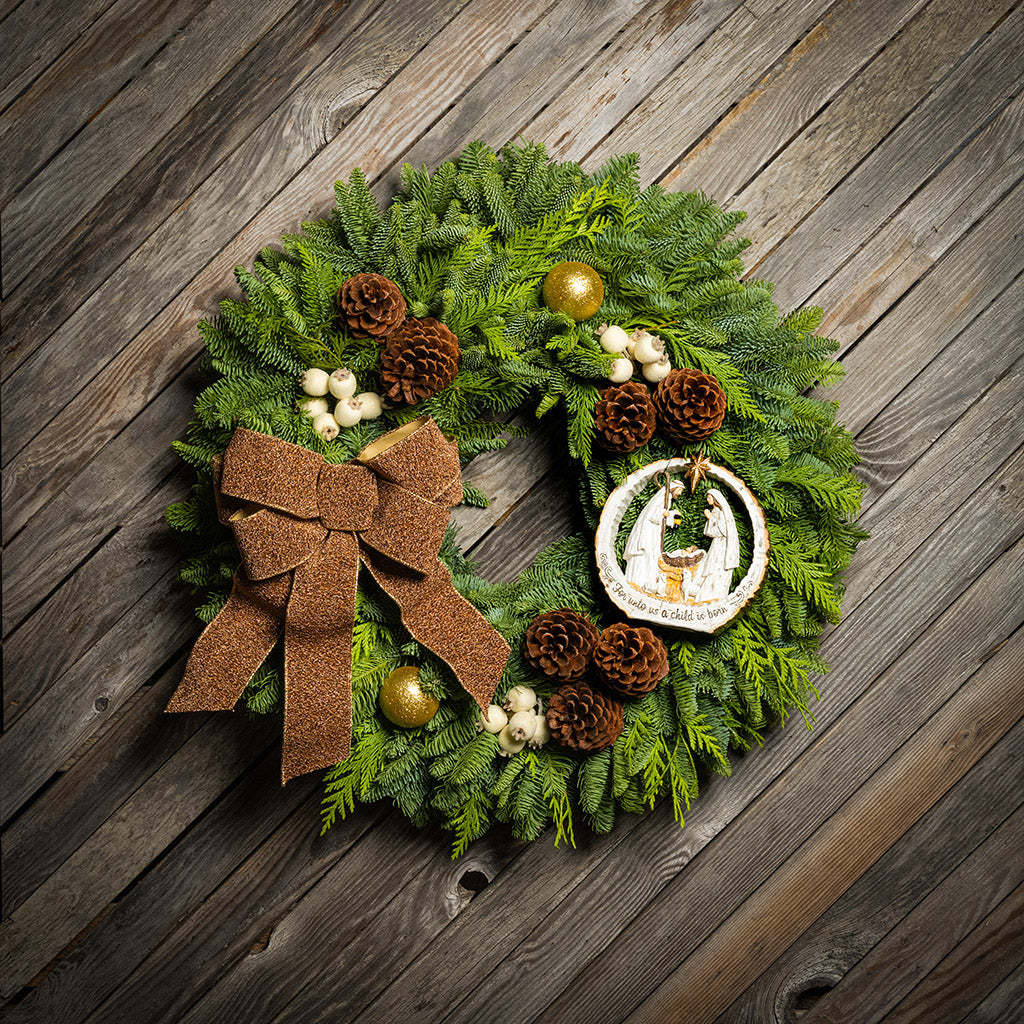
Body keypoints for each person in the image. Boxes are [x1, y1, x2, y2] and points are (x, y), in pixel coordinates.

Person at [624, 478, 684, 595]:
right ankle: (637, 581)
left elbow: (662, 517)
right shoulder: (663, 497)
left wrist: (671, 517)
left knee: (652, 555)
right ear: (673, 488)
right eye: (680, 490)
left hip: (654, 530)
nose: (680, 493)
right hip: (648, 530)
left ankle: (648, 583)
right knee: (646, 554)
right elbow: (653, 514)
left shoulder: (668, 499)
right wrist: (666, 513)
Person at [694, 488, 740, 602]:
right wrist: (710, 518)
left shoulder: (721, 513)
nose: (707, 499)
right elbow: (709, 532)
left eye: (709, 497)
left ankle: (715, 595)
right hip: (716, 544)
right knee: (710, 566)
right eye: (707, 497)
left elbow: (724, 531)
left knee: (717, 568)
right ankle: (705, 595)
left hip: (722, 546)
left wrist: (711, 518)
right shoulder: (714, 512)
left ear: (715, 499)